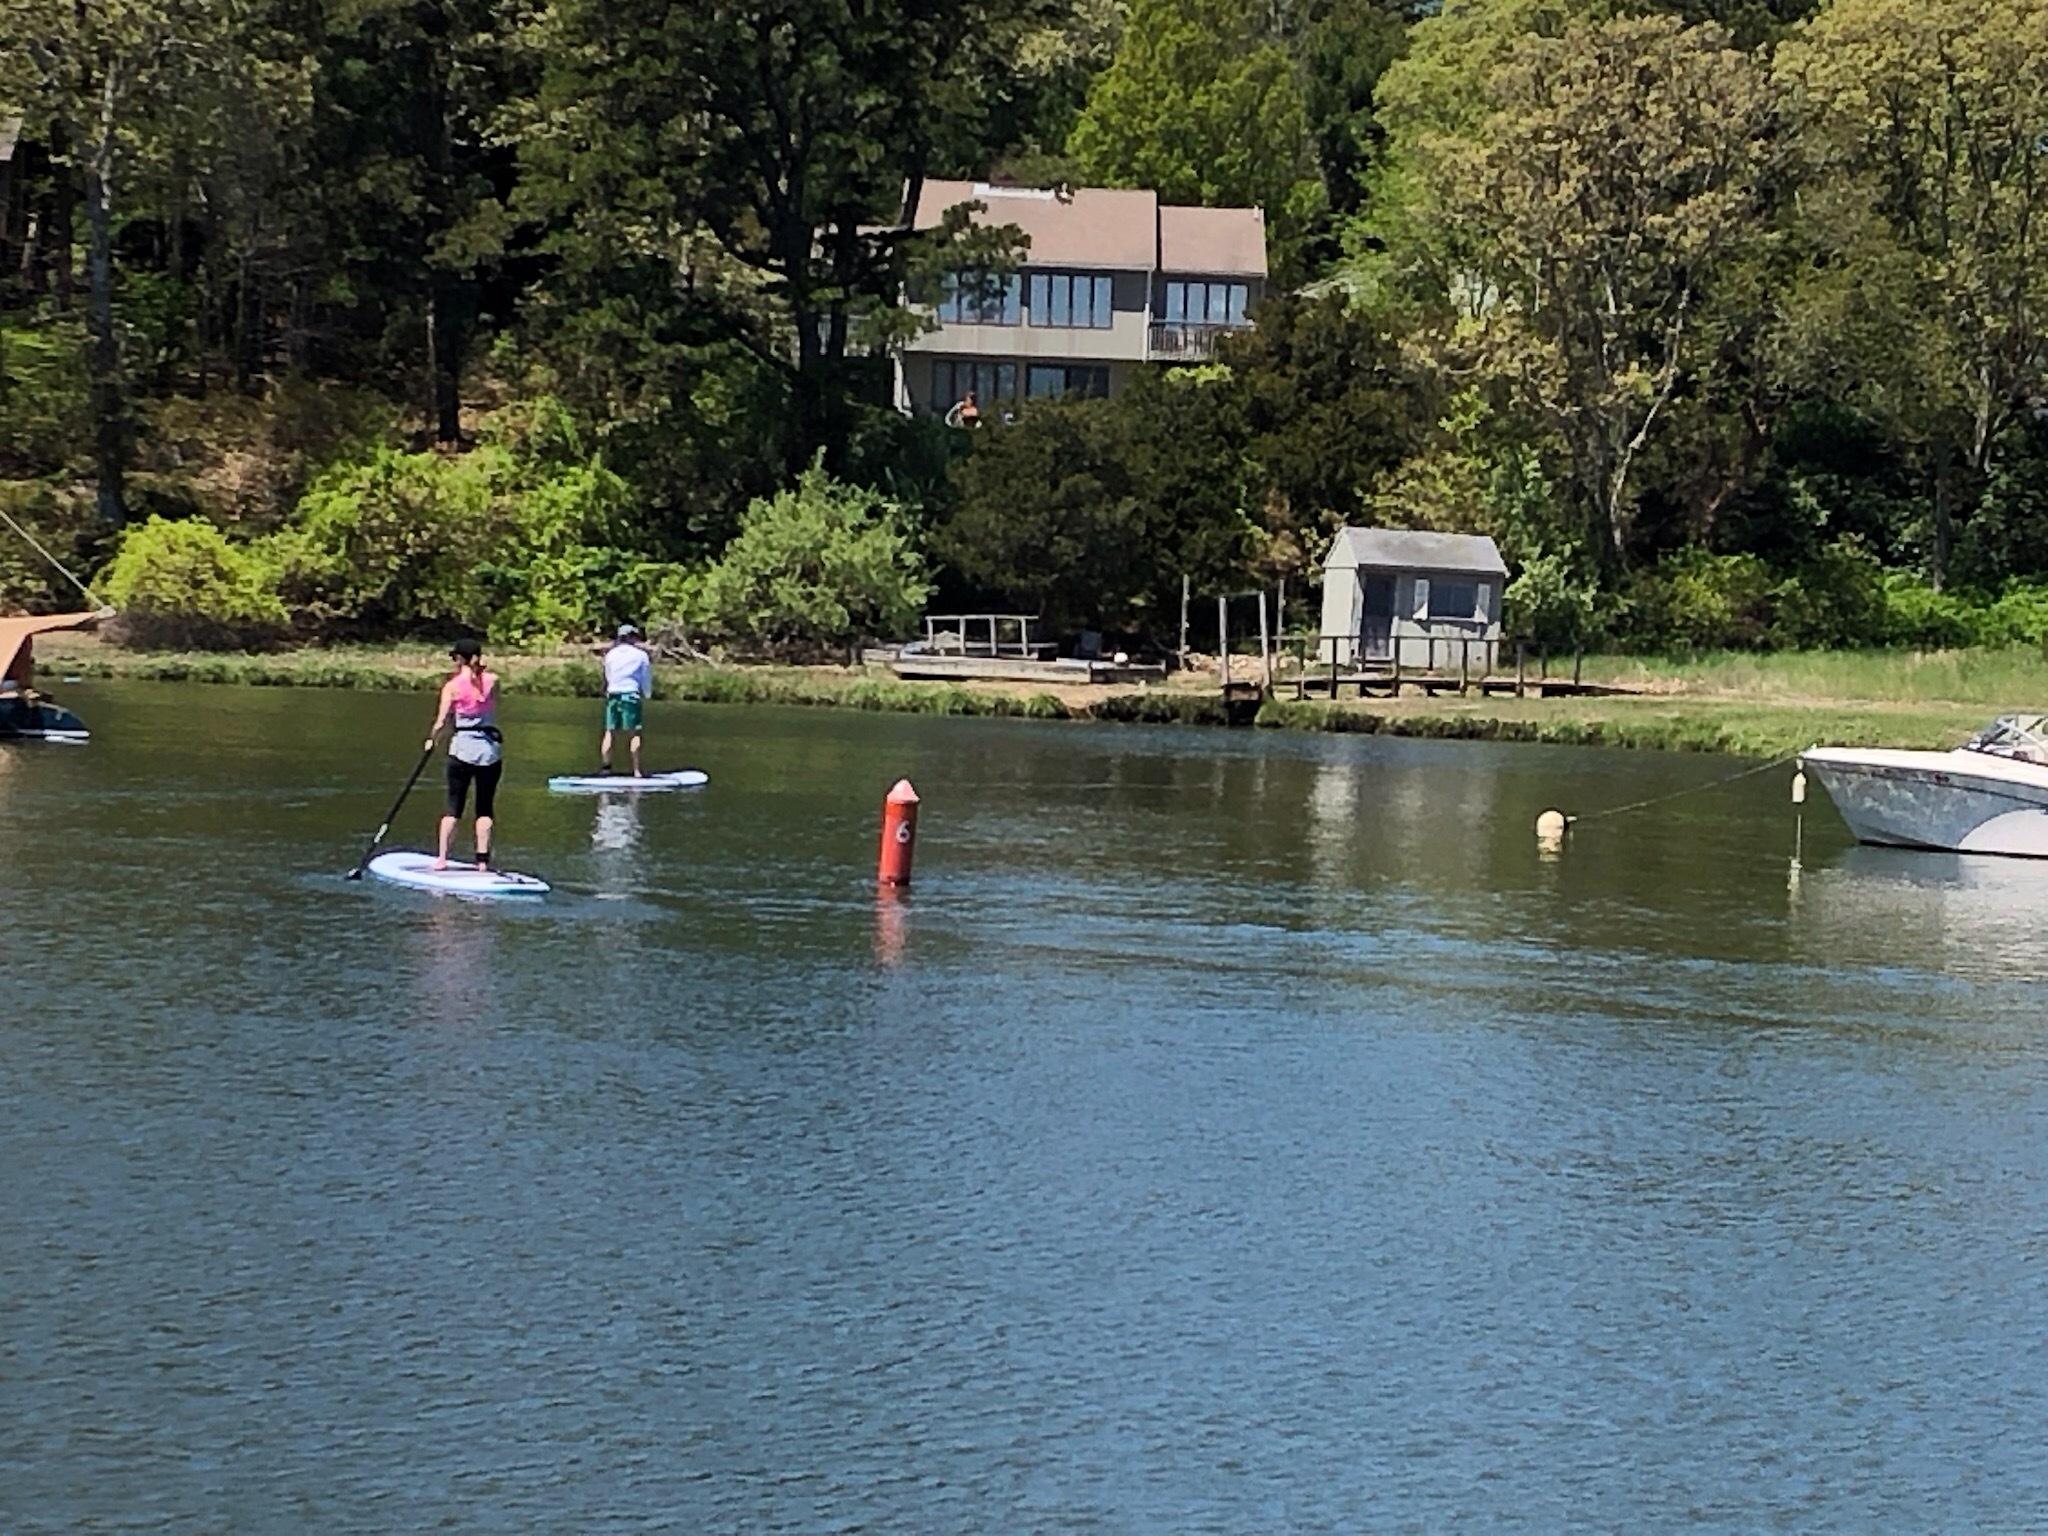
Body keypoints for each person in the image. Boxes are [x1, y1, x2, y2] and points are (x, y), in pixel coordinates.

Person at [425, 638, 502, 871]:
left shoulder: (452, 686)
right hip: (490, 752)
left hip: (462, 750)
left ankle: (441, 860)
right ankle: (482, 863)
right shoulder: (494, 681)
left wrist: (432, 740)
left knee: (453, 807)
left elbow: (442, 721)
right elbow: (493, 703)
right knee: (485, 808)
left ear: (459, 659)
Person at [600, 622, 654, 776]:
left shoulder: (610, 654)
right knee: (634, 733)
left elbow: (608, 676)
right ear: (632, 637)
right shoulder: (641, 655)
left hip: (613, 693)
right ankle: (636, 771)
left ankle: (606, 768)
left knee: (609, 732)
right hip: (631, 694)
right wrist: (647, 694)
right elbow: (645, 678)